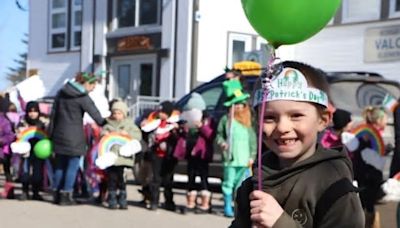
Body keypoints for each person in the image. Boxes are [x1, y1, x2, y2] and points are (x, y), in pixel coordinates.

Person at [230, 61, 364, 227]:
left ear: (323, 120)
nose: (282, 128)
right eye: (269, 117)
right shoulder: (252, 185)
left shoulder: (335, 186)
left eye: (296, 115)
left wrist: (280, 223)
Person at [49, 72, 106, 205]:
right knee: (72, 166)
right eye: (93, 85)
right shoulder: (82, 97)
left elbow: (53, 115)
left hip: (58, 134)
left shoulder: (60, 93)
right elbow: (97, 116)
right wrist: (108, 123)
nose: (93, 88)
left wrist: (50, 135)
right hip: (75, 136)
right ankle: (66, 195)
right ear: (86, 83)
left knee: (60, 165)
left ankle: (56, 194)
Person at [216, 79, 257, 217]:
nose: (239, 106)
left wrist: (252, 156)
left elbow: (252, 140)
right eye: (236, 104)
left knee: (241, 186)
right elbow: (219, 136)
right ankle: (227, 206)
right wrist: (222, 143)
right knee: (228, 183)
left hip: (244, 160)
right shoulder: (226, 120)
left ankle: (238, 207)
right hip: (230, 159)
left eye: (241, 104)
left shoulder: (247, 121)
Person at [175, 93, 215, 213]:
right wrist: (182, 128)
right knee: (191, 177)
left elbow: (211, 135)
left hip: (202, 154)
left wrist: (202, 126)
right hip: (190, 153)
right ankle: (191, 202)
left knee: (203, 177)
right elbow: (182, 137)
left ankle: (205, 204)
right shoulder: (187, 120)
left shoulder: (208, 120)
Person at [100, 99, 142, 209]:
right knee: (112, 178)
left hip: (124, 158)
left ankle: (123, 199)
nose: (116, 115)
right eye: (114, 113)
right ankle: (112, 199)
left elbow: (137, 136)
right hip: (112, 157)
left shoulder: (130, 125)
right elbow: (102, 134)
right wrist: (105, 134)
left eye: (119, 113)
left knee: (122, 179)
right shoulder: (109, 125)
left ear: (124, 114)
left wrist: (128, 134)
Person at [352, 106, 388, 228]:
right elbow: (365, 157)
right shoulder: (367, 135)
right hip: (367, 177)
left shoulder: (372, 134)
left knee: (368, 205)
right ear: (378, 120)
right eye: (385, 120)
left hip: (369, 176)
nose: (387, 122)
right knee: (367, 205)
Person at [146, 101, 179, 211]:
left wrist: (175, 131)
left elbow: (177, 140)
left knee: (168, 180)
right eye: (159, 111)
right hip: (156, 155)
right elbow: (147, 133)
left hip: (169, 157)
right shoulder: (155, 122)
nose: (160, 114)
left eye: (163, 112)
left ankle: (169, 201)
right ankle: (154, 201)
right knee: (156, 179)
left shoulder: (173, 125)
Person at [15, 101, 47, 200]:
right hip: (26, 151)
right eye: (30, 111)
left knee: (37, 173)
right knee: (25, 172)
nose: (33, 114)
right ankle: (25, 192)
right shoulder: (22, 122)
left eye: (35, 111)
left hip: (39, 151)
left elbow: (47, 136)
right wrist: (19, 135)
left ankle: (36, 192)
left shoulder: (43, 123)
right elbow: (18, 134)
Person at [0, 95, 16, 198]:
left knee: (7, 171)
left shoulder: (4, 120)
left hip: (3, 150)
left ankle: (10, 191)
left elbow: (10, 135)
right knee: (7, 170)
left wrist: (1, 140)